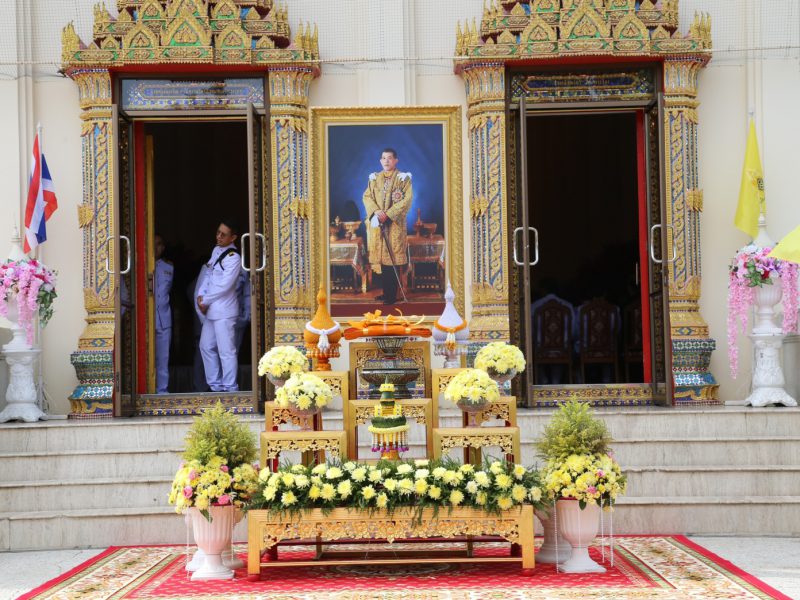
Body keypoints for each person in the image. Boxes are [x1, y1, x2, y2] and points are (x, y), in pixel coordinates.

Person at [195, 219, 242, 392]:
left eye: (224, 234)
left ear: (233, 238)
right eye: (218, 232)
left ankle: (230, 387)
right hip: (211, 310)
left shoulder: (233, 258)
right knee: (205, 346)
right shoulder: (216, 251)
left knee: (226, 350)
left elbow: (225, 285)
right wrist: (201, 294)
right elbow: (208, 274)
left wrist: (205, 300)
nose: (219, 236)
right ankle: (215, 386)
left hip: (225, 310)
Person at [362, 147, 413, 305]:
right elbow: (367, 196)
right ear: (380, 161)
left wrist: (388, 215)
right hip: (379, 224)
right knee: (383, 261)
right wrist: (377, 211)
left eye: (390, 158)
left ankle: (392, 295)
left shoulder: (403, 179)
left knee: (391, 259)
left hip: (394, 225)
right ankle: (386, 293)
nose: (386, 161)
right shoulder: (374, 178)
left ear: (395, 160)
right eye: (384, 158)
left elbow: (407, 200)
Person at [153, 234, 174, 394]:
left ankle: (162, 391)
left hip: (164, 318)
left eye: (159, 244)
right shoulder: (143, 266)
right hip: (147, 319)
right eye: (153, 244)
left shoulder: (169, 267)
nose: (156, 247)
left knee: (163, 358)